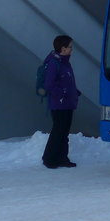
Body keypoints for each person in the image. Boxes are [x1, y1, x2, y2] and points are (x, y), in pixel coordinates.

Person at [41, 34, 81, 168]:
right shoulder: (54, 63)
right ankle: (49, 159)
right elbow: (49, 85)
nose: (71, 49)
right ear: (63, 48)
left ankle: (62, 157)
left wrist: (73, 92)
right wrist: (63, 93)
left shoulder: (64, 62)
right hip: (59, 104)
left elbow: (66, 81)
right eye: (70, 47)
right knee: (58, 131)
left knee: (64, 131)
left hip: (67, 103)